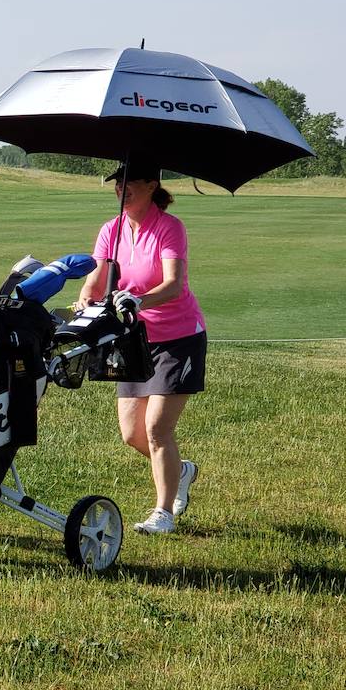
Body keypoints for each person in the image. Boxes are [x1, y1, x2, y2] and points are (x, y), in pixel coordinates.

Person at [75, 160, 207, 535]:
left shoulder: (169, 228)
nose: (121, 188)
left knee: (156, 429)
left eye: (130, 182)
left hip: (179, 337)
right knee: (132, 433)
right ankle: (180, 471)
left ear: (152, 185)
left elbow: (174, 284)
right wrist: (86, 297)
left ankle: (163, 513)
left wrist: (139, 301)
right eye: (117, 183)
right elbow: (96, 281)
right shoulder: (110, 230)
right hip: (134, 340)